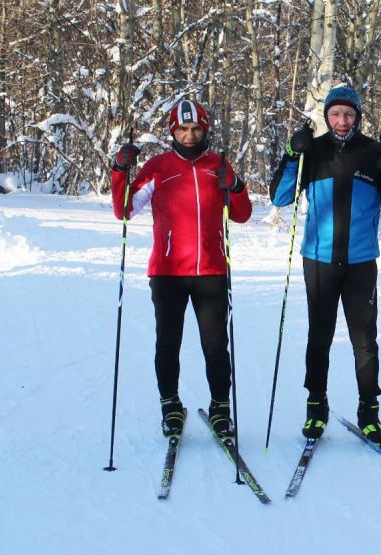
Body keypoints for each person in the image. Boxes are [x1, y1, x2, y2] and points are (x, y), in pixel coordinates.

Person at [269, 86, 381, 444]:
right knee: (319, 337)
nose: (341, 121)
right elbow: (280, 196)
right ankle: (316, 406)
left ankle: (369, 412)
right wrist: (291, 154)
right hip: (318, 259)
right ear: (327, 116)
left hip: (361, 261)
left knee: (364, 340)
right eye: (335, 114)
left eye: (348, 114)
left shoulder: (372, 152)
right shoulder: (312, 150)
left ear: (358, 117)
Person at [110, 99, 252, 440]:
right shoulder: (159, 166)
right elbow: (125, 210)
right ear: (173, 131)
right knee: (168, 343)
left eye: (196, 129)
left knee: (216, 346)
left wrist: (234, 187)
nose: (189, 136)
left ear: (205, 130)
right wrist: (119, 169)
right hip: (168, 272)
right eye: (182, 129)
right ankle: (170, 405)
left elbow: (242, 214)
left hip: (212, 272)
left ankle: (220, 407)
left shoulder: (218, 164)